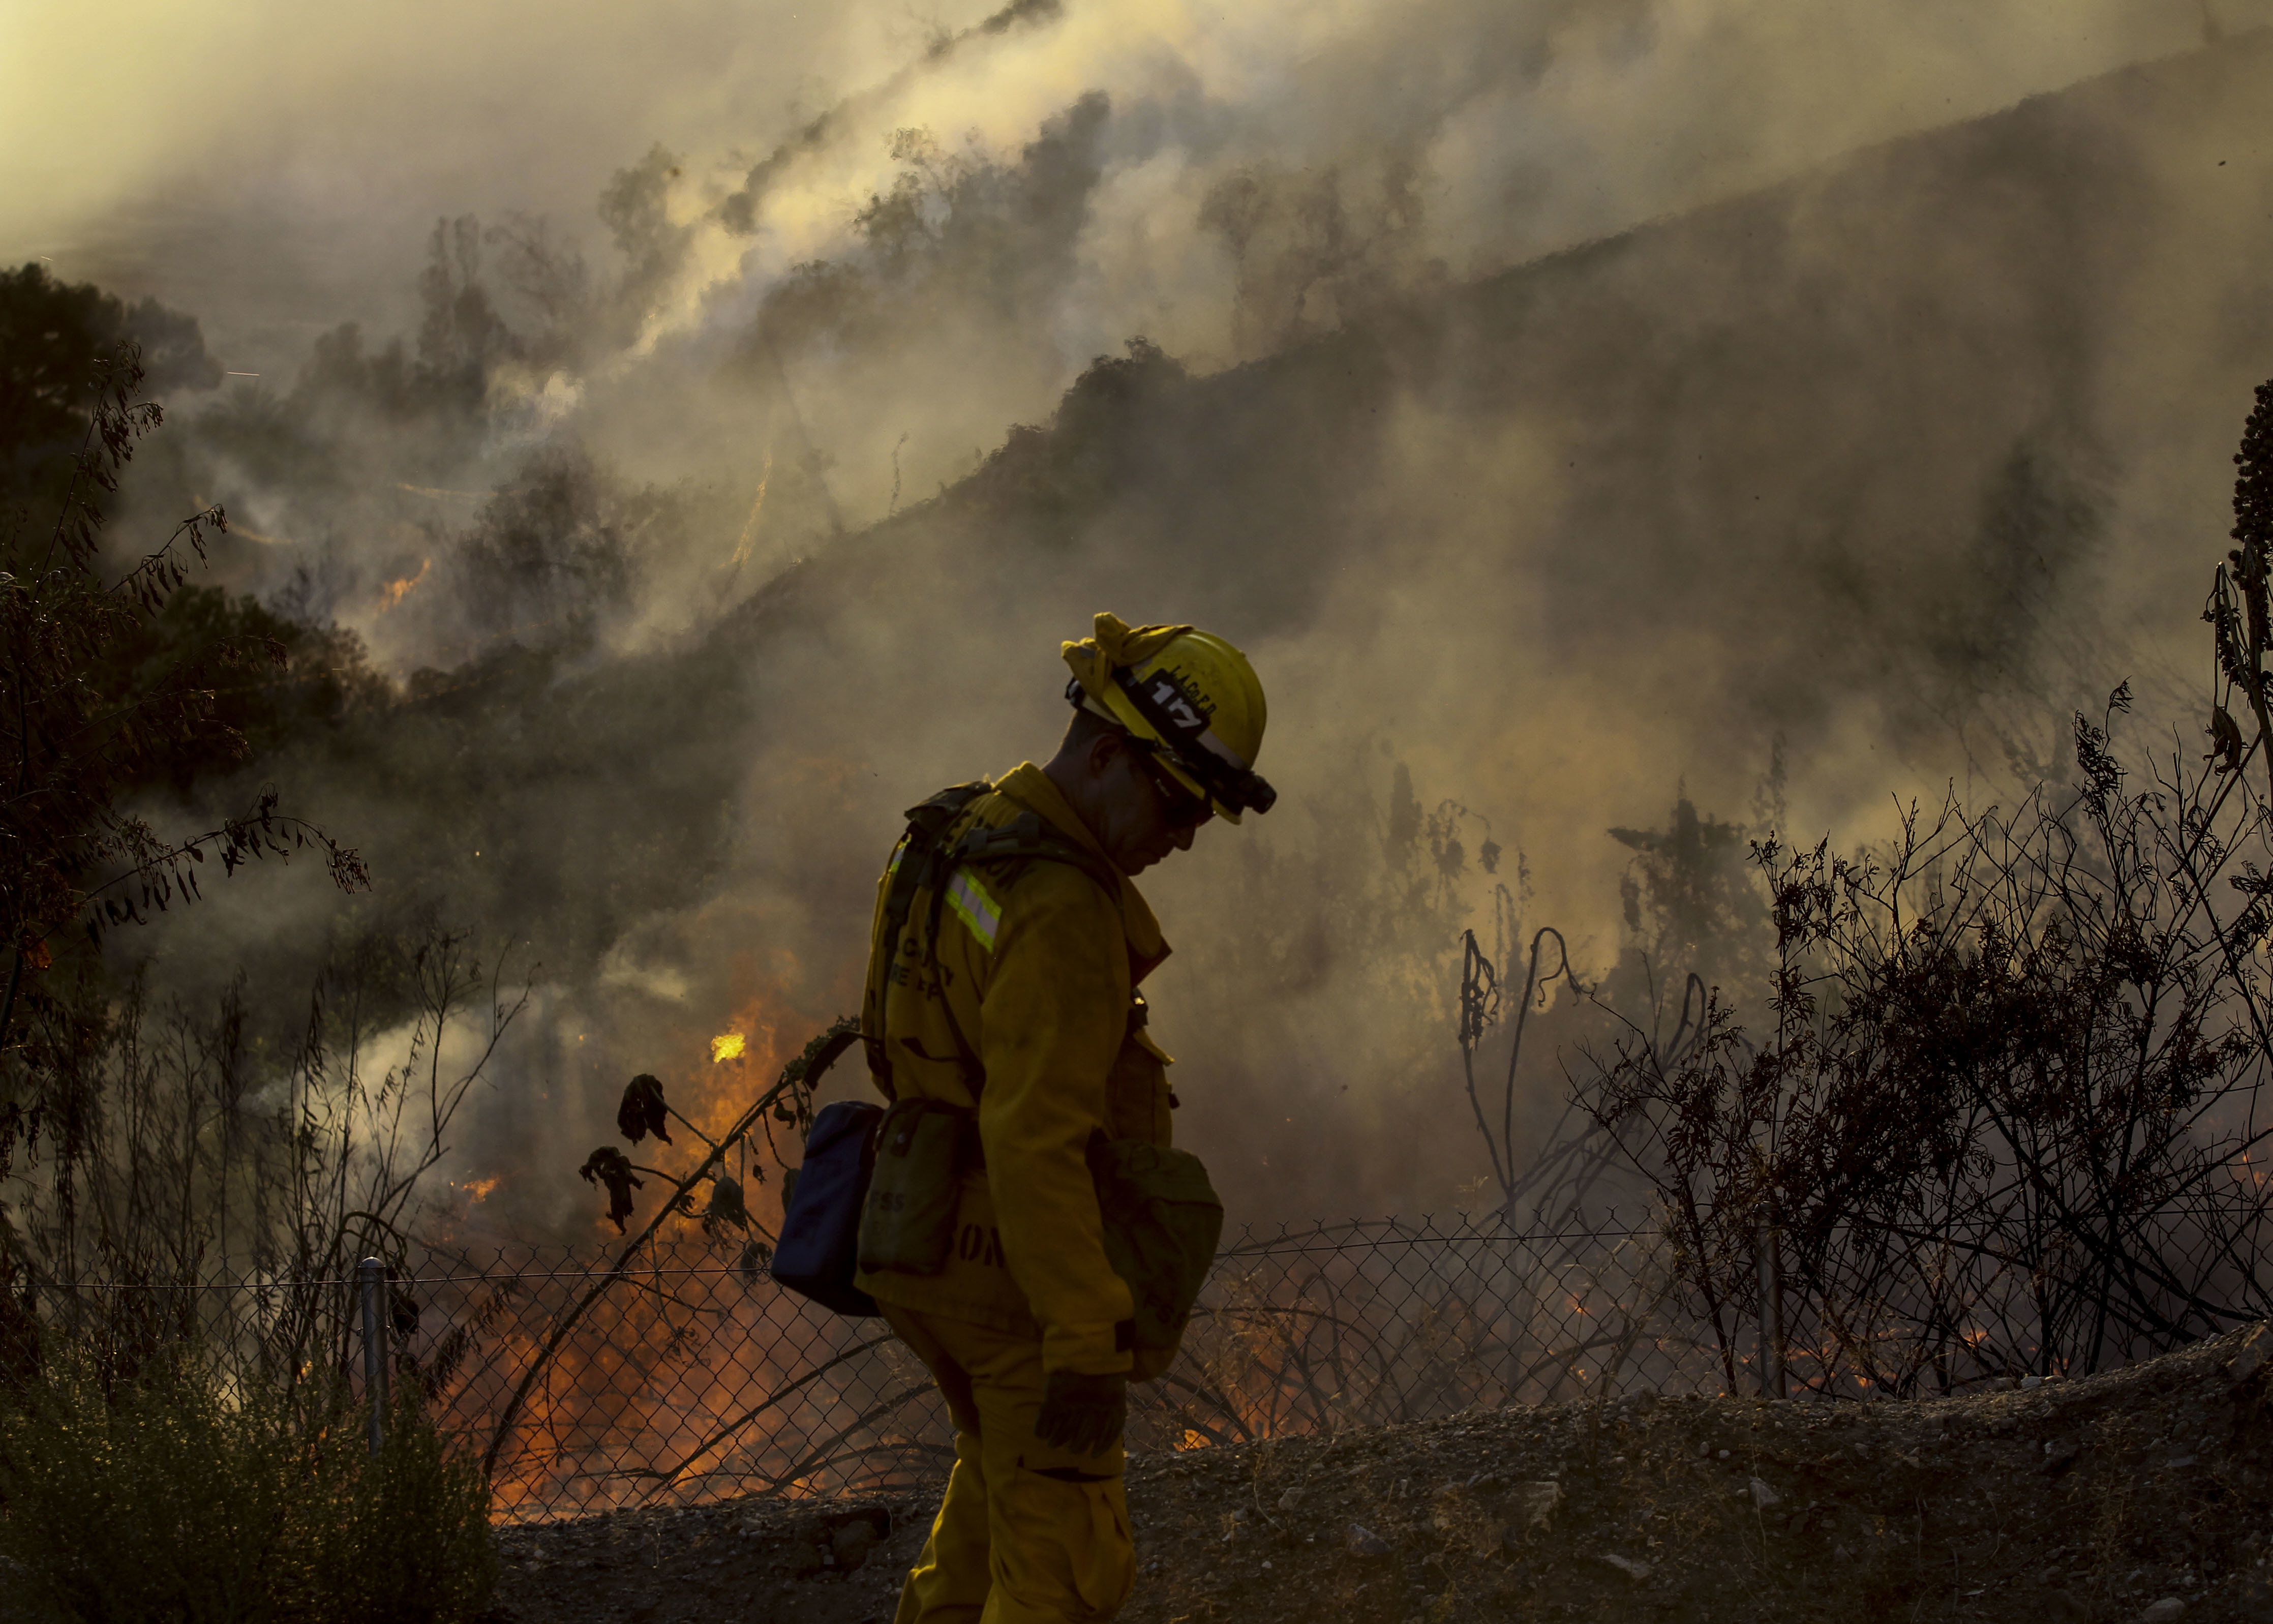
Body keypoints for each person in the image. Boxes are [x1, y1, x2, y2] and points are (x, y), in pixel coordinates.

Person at [857, 614, 1274, 1623]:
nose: (1179, 838)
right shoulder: (1065, 910)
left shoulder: (960, 831)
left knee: (987, 1538)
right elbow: (1034, 1140)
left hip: (925, 1247)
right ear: (1104, 753)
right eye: (1175, 802)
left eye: (1200, 819)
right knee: (1062, 1574)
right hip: (1016, 1286)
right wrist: (1085, 1339)